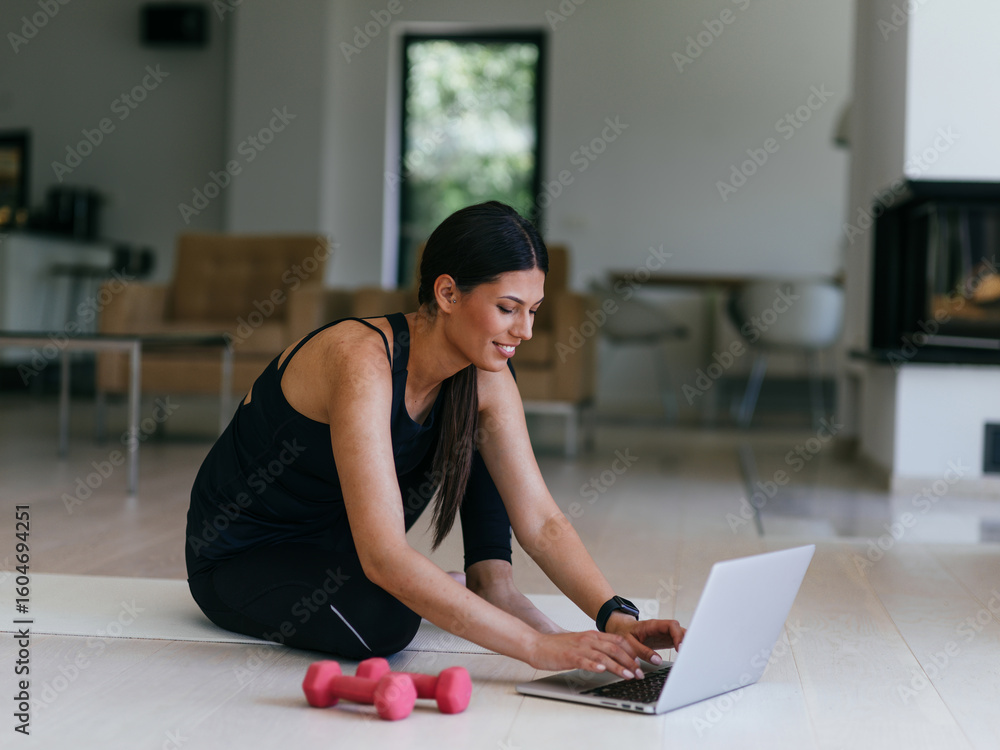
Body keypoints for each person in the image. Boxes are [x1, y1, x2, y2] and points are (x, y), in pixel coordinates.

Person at [185, 201, 685, 681]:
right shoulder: (360, 362)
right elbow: (384, 557)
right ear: (447, 293)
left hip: (345, 547)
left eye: (533, 310)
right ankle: (446, 594)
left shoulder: (486, 372)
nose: (525, 330)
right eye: (508, 308)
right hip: (245, 555)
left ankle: (493, 586)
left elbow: (541, 520)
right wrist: (536, 647)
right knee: (386, 619)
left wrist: (615, 617)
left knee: (475, 410)